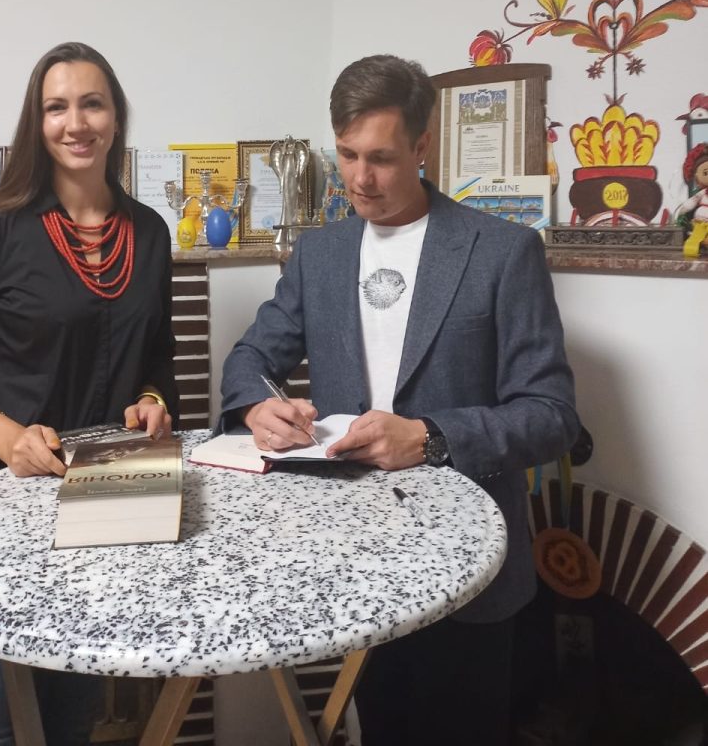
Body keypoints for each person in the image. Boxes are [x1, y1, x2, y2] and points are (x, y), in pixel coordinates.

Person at [220, 54, 580, 746]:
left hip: (471, 566)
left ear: (422, 147)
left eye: (381, 158)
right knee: (379, 728)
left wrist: (430, 436)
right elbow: (249, 360)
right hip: (353, 560)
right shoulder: (320, 255)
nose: (360, 178)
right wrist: (257, 406)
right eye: (348, 154)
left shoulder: (503, 251)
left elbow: (552, 415)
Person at [0, 42, 179, 746]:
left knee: (67, 726)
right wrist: (7, 437)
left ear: (116, 117)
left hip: (102, 511)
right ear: (37, 121)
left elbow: (157, 355)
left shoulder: (149, 232)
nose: (75, 123)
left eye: (92, 104)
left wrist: (152, 399)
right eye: (57, 107)